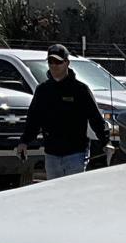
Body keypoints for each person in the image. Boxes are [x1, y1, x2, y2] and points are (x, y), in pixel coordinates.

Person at [20, 43, 109, 179]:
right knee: (55, 195)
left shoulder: (80, 89)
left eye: (58, 61)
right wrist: (24, 142)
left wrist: (105, 142)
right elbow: (34, 119)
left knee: (74, 193)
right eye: (50, 61)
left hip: (76, 154)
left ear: (67, 63)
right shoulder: (42, 90)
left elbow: (95, 118)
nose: (54, 65)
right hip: (51, 154)